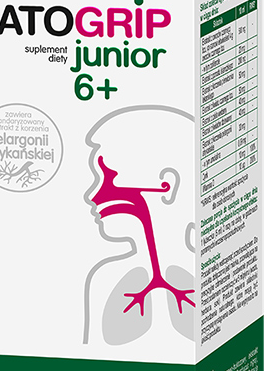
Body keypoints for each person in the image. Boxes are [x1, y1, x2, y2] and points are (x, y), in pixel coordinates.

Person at [83, 106, 196, 348]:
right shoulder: (105, 280)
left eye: (109, 177)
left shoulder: (205, 273)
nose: (92, 195)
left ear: (167, 185)